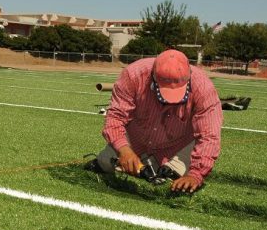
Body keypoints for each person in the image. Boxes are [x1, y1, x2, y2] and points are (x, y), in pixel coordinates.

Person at [86, 49, 222, 193]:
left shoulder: (204, 89)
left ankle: (165, 167)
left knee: (170, 180)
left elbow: (209, 136)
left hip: (178, 144)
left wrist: (196, 174)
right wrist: (124, 150)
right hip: (137, 136)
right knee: (105, 163)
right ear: (153, 77)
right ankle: (105, 161)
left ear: (188, 77)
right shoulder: (133, 75)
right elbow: (115, 118)